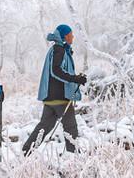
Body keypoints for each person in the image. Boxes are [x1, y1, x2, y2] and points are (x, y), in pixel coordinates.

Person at [22, 24, 86, 155]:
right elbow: (56, 71)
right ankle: (74, 159)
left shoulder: (56, 49)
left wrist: (76, 78)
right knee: (71, 128)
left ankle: (25, 153)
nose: (73, 36)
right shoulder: (59, 50)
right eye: (71, 34)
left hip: (50, 98)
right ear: (65, 36)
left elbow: (57, 70)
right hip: (60, 97)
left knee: (43, 128)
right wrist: (75, 79)